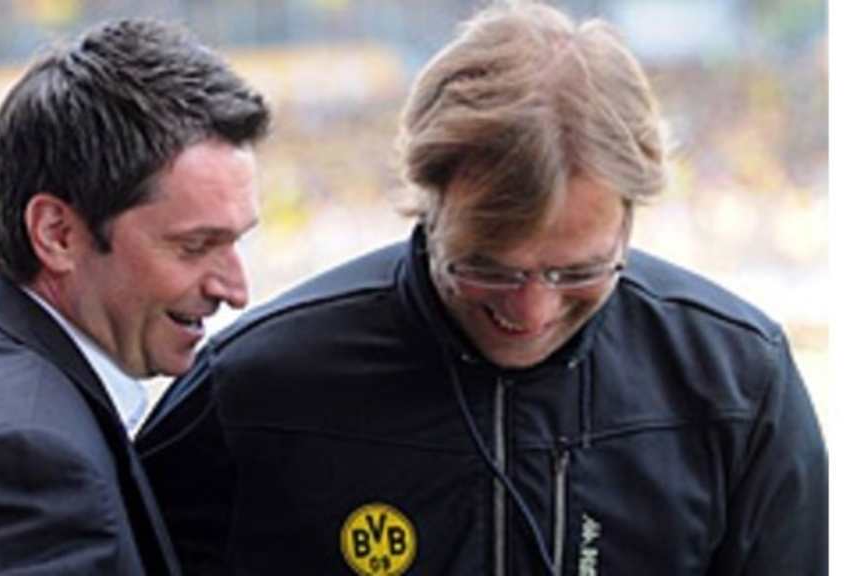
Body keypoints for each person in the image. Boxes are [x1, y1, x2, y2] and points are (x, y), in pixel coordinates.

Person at [137, 2, 827, 575]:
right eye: (488, 268)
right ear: (428, 203)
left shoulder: (737, 384)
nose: (531, 311)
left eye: (577, 272)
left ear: (629, 221)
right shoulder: (254, 390)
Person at [0, 17, 269, 575]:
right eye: (194, 246)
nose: (236, 290)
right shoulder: (26, 463)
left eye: (237, 242)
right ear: (57, 234)